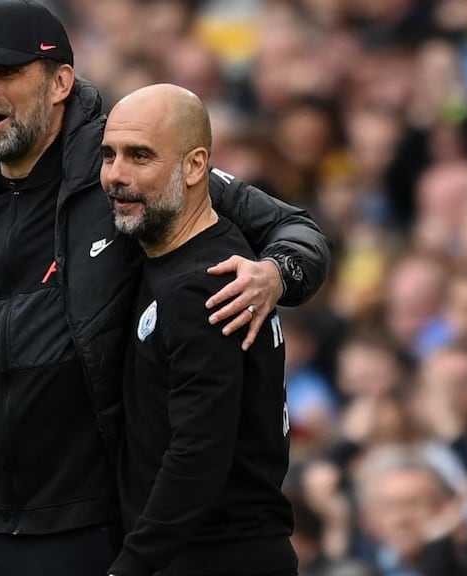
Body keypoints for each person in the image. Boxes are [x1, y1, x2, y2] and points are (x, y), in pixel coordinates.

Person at [0, 1, 329, 574]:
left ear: (60, 81)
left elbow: (295, 228)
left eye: (6, 73)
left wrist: (275, 273)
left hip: (81, 524)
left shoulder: (128, 164)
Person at [100, 83, 296, 576]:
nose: (116, 175)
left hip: (214, 555)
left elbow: (198, 453)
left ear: (194, 166)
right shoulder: (187, 255)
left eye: (139, 156)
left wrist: (133, 566)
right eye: (109, 155)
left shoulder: (202, 286)